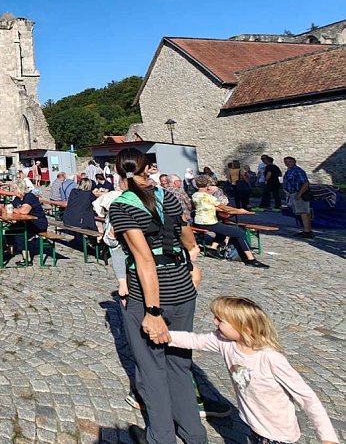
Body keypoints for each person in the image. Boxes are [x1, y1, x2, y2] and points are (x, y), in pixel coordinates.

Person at [110, 148, 206, 444]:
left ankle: (161, 437)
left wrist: (152, 312)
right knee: (180, 364)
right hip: (182, 290)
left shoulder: (122, 206)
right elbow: (190, 242)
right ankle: (194, 434)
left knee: (151, 369)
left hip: (148, 296)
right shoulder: (170, 197)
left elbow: (145, 261)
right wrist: (192, 263)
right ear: (147, 169)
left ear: (118, 173)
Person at [169, 296, 338, 444]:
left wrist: (327, 436)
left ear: (245, 328)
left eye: (220, 320)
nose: (215, 322)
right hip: (253, 425)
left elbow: (307, 397)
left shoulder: (270, 358)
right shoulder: (226, 342)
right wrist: (164, 335)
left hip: (278, 435)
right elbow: (195, 340)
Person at [191, 175, 269, 268]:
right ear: (207, 185)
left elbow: (206, 206)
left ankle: (213, 249)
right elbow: (226, 208)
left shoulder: (195, 195)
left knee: (223, 229)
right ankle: (250, 259)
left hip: (199, 221)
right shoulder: (209, 197)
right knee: (239, 233)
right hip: (208, 222)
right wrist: (240, 210)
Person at [9, 179, 48, 263]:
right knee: (10, 230)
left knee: (20, 233)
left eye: (14, 189)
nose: (13, 191)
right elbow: (11, 207)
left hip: (38, 223)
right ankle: (10, 252)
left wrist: (14, 210)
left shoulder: (29, 196)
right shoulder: (17, 199)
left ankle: (26, 259)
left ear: (19, 188)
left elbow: (24, 211)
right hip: (27, 222)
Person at [282, 156, 314, 239]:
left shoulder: (298, 171)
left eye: (289, 161)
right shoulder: (290, 171)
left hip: (298, 194)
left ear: (294, 162)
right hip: (293, 193)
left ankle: (307, 231)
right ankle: (307, 230)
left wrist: (299, 194)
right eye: (286, 161)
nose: (287, 163)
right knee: (302, 212)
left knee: (304, 213)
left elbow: (305, 183)